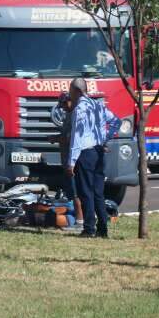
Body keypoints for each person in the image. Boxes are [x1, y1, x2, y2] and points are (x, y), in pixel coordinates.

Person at [66, 78, 120, 238]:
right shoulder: (98, 105)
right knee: (98, 192)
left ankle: (89, 228)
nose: (69, 94)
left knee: (86, 192)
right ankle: (102, 228)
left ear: (76, 91)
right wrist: (105, 140)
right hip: (98, 152)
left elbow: (76, 137)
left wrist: (71, 162)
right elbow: (117, 121)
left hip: (86, 153)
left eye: (70, 90)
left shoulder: (80, 109)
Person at [48, 92, 84, 231]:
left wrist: (55, 139)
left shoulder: (76, 115)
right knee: (72, 192)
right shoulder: (69, 115)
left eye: (64, 104)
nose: (62, 107)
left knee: (76, 192)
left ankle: (80, 222)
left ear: (71, 100)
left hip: (73, 161)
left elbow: (71, 138)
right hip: (67, 159)